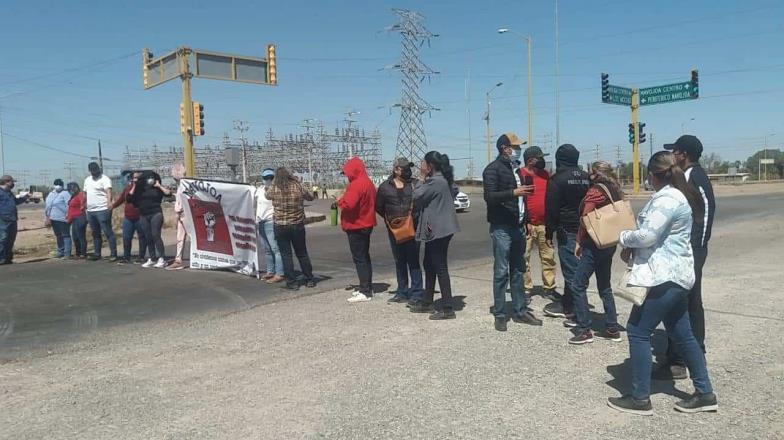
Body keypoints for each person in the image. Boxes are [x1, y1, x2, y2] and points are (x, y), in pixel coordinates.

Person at [608, 151, 717, 416]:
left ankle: (640, 398)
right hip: (675, 276)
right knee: (683, 334)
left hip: (664, 278)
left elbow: (646, 235)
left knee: (637, 330)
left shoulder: (667, 198)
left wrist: (622, 236)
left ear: (654, 175)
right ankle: (705, 394)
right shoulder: (677, 195)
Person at [657, 135, 716, 380]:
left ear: (683, 155)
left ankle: (681, 360)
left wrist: (692, 252)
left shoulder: (694, 177)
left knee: (684, 303)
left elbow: (704, 216)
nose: (672, 157)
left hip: (691, 253)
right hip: (688, 252)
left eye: (675, 152)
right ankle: (686, 355)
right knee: (687, 303)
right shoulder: (690, 176)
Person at [483, 133, 542, 331]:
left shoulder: (517, 170)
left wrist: (525, 220)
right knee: (501, 272)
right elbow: (490, 197)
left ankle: (520, 310)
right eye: (514, 146)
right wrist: (513, 193)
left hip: (518, 227)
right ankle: (500, 313)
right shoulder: (493, 170)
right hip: (502, 227)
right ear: (504, 148)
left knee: (518, 269)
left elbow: (523, 199)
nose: (518, 150)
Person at [568, 161, 624, 345]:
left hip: (594, 243)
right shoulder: (615, 189)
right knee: (604, 285)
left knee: (578, 284)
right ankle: (612, 326)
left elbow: (586, 218)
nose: (589, 175)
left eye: (591, 172)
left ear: (597, 174)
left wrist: (578, 242)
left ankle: (584, 329)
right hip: (609, 242)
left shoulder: (596, 191)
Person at [410, 151, 460, 320]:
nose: (421, 165)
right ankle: (427, 300)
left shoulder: (435, 181)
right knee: (429, 263)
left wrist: (422, 177)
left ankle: (447, 308)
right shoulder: (444, 180)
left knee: (439, 266)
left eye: (423, 163)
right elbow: (454, 189)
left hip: (439, 230)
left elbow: (416, 195)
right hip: (440, 229)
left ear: (430, 165)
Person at [543, 144, 590, 320]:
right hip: (587, 230)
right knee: (580, 269)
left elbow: (551, 210)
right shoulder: (587, 178)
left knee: (572, 273)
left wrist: (549, 234)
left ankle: (575, 312)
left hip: (568, 231)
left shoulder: (557, 180)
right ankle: (568, 303)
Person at [376, 157, 424, 305]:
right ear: (396, 169)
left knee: (414, 261)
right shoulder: (385, 187)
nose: (408, 171)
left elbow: (422, 204)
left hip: (413, 229)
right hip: (395, 230)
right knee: (399, 261)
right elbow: (379, 207)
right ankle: (402, 292)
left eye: (409, 168)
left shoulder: (415, 185)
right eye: (405, 169)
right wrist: (392, 221)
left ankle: (417, 292)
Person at [266, 166, 316, 290]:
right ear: (289, 175)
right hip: (297, 224)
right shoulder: (297, 185)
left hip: (280, 225)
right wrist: (296, 180)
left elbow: (267, 195)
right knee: (302, 253)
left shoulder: (274, 187)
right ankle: (309, 279)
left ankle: (292, 282)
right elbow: (310, 196)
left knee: (286, 255)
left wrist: (273, 183)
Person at [518, 146, 558, 299]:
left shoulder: (545, 175)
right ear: (530, 160)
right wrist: (525, 220)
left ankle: (549, 288)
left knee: (548, 258)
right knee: (523, 258)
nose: (542, 160)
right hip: (526, 226)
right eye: (539, 158)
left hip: (544, 224)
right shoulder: (519, 175)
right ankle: (526, 289)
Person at [338, 157, 377, 302]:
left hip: (357, 225)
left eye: (347, 172)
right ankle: (366, 286)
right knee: (364, 257)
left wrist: (339, 200)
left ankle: (365, 291)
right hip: (366, 223)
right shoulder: (368, 183)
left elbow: (349, 204)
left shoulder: (356, 185)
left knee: (360, 259)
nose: (347, 175)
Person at [128, 171, 171, 268]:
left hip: (156, 213)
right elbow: (129, 198)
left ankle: (162, 258)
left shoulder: (156, 187)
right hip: (143, 215)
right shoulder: (139, 188)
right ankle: (152, 258)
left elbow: (168, 194)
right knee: (148, 236)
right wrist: (134, 185)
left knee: (155, 234)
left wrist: (159, 185)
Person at [83, 162, 118, 261]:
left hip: (102, 209)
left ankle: (113, 254)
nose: (94, 173)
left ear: (98, 169)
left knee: (107, 231)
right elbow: (85, 193)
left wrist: (109, 203)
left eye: (96, 170)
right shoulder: (87, 180)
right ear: (90, 171)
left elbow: (109, 192)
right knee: (95, 233)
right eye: (92, 171)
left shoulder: (105, 179)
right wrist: (84, 203)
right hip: (91, 210)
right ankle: (97, 253)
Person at [111, 171, 146, 264]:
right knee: (126, 237)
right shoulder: (127, 189)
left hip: (140, 217)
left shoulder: (143, 189)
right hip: (128, 218)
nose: (136, 180)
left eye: (138, 178)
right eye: (134, 178)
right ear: (131, 179)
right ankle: (126, 257)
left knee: (142, 237)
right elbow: (121, 199)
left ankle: (141, 256)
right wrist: (112, 206)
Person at [256, 168, 285, 283]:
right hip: (260, 222)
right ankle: (270, 271)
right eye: (265, 178)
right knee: (267, 249)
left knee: (275, 248)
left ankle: (280, 273)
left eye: (270, 178)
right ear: (262, 179)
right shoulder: (259, 190)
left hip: (270, 221)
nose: (268, 180)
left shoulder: (278, 190)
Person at [0, 175, 29, 264]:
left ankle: (8, 258)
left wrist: (24, 198)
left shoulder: (9, 192)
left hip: (12, 219)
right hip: (3, 220)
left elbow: (15, 202)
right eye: (12, 182)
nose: (13, 184)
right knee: (2, 239)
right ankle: (1, 258)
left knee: (10, 239)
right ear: (6, 182)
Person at [166, 163, 189, 271]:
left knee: (190, 236)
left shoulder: (184, 185)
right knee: (180, 238)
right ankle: (178, 259)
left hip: (185, 214)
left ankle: (180, 260)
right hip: (182, 214)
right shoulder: (181, 185)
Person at [44, 178, 72, 259]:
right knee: (58, 235)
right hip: (53, 218)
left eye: (60, 184)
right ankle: (60, 251)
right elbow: (47, 207)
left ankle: (67, 253)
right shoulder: (51, 194)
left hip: (63, 218)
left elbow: (69, 206)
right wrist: (47, 218)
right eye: (56, 184)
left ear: (63, 185)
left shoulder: (66, 193)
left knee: (65, 235)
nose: (58, 186)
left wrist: (68, 215)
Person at [65, 182, 88, 259]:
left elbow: (83, 202)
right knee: (75, 237)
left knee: (81, 236)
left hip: (80, 217)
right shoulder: (72, 197)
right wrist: (68, 217)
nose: (70, 191)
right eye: (69, 190)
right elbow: (71, 208)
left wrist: (82, 205)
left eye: (71, 189)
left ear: (75, 188)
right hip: (74, 219)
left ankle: (83, 253)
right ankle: (77, 253)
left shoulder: (80, 195)